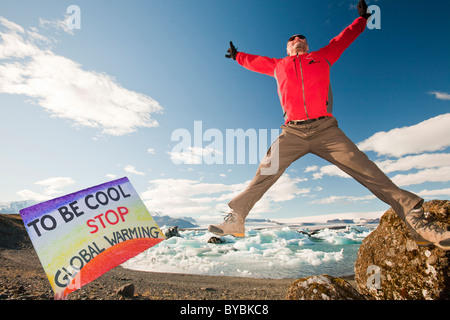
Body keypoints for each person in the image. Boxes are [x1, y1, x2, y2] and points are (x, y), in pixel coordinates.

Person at [208, 0, 450, 251]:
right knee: (266, 170)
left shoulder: (322, 57)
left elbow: (342, 39)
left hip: (326, 131)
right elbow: (254, 61)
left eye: (301, 37)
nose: (296, 39)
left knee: (365, 169)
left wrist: (362, 19)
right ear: (288, 47)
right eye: (292, 38)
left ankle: (415, 218)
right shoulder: (278, 65)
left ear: (306, 44)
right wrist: (238, 56)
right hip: (292, 132)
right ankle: (237, 218)